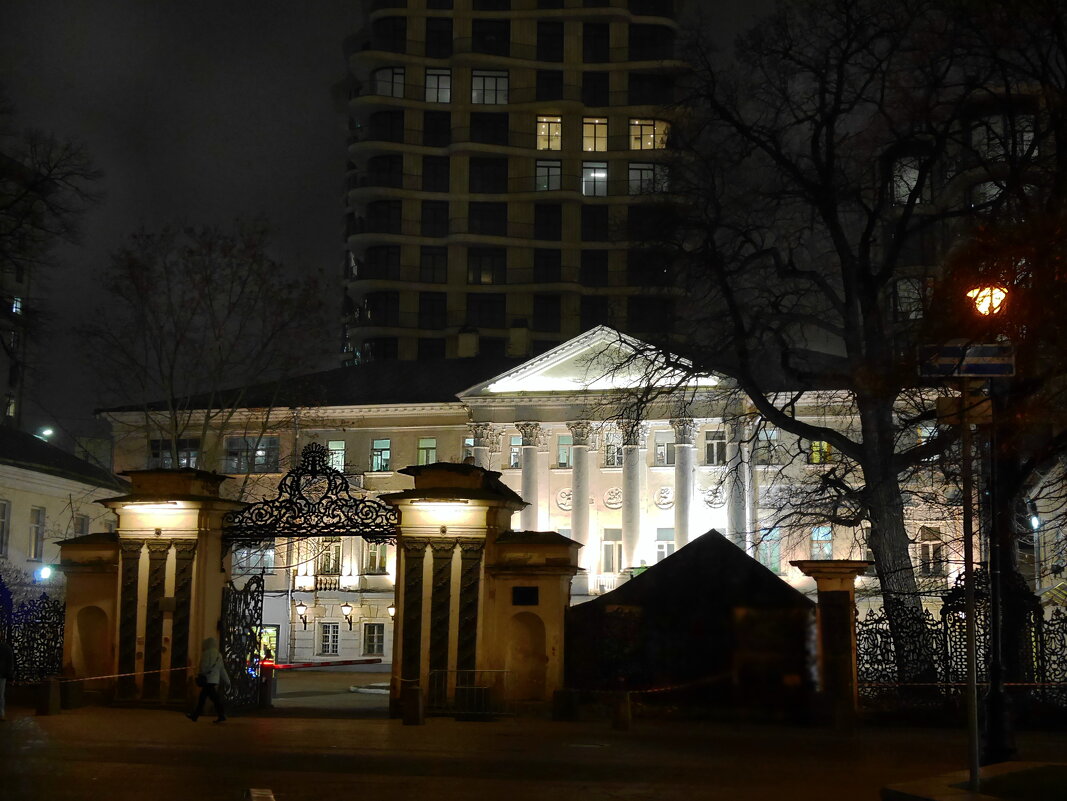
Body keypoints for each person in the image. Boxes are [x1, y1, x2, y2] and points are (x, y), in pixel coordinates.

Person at [186, 637, 230, 723]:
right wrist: (227, 681)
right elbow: (222, 670)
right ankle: (219, 715)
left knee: (205, 699)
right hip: (214, 680)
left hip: (207, 679)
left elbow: (203, 666)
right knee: (210, 698)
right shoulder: (219, 655)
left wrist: (200, 673)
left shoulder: (206, 653)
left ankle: (196, 715)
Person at [0, 636, 13, 721]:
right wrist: (9, 674)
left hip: (1, 674)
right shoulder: (6, 648)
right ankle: (1, 714)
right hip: (1, 674)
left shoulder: (6, 648)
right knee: (0, 695)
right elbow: (10, 662)